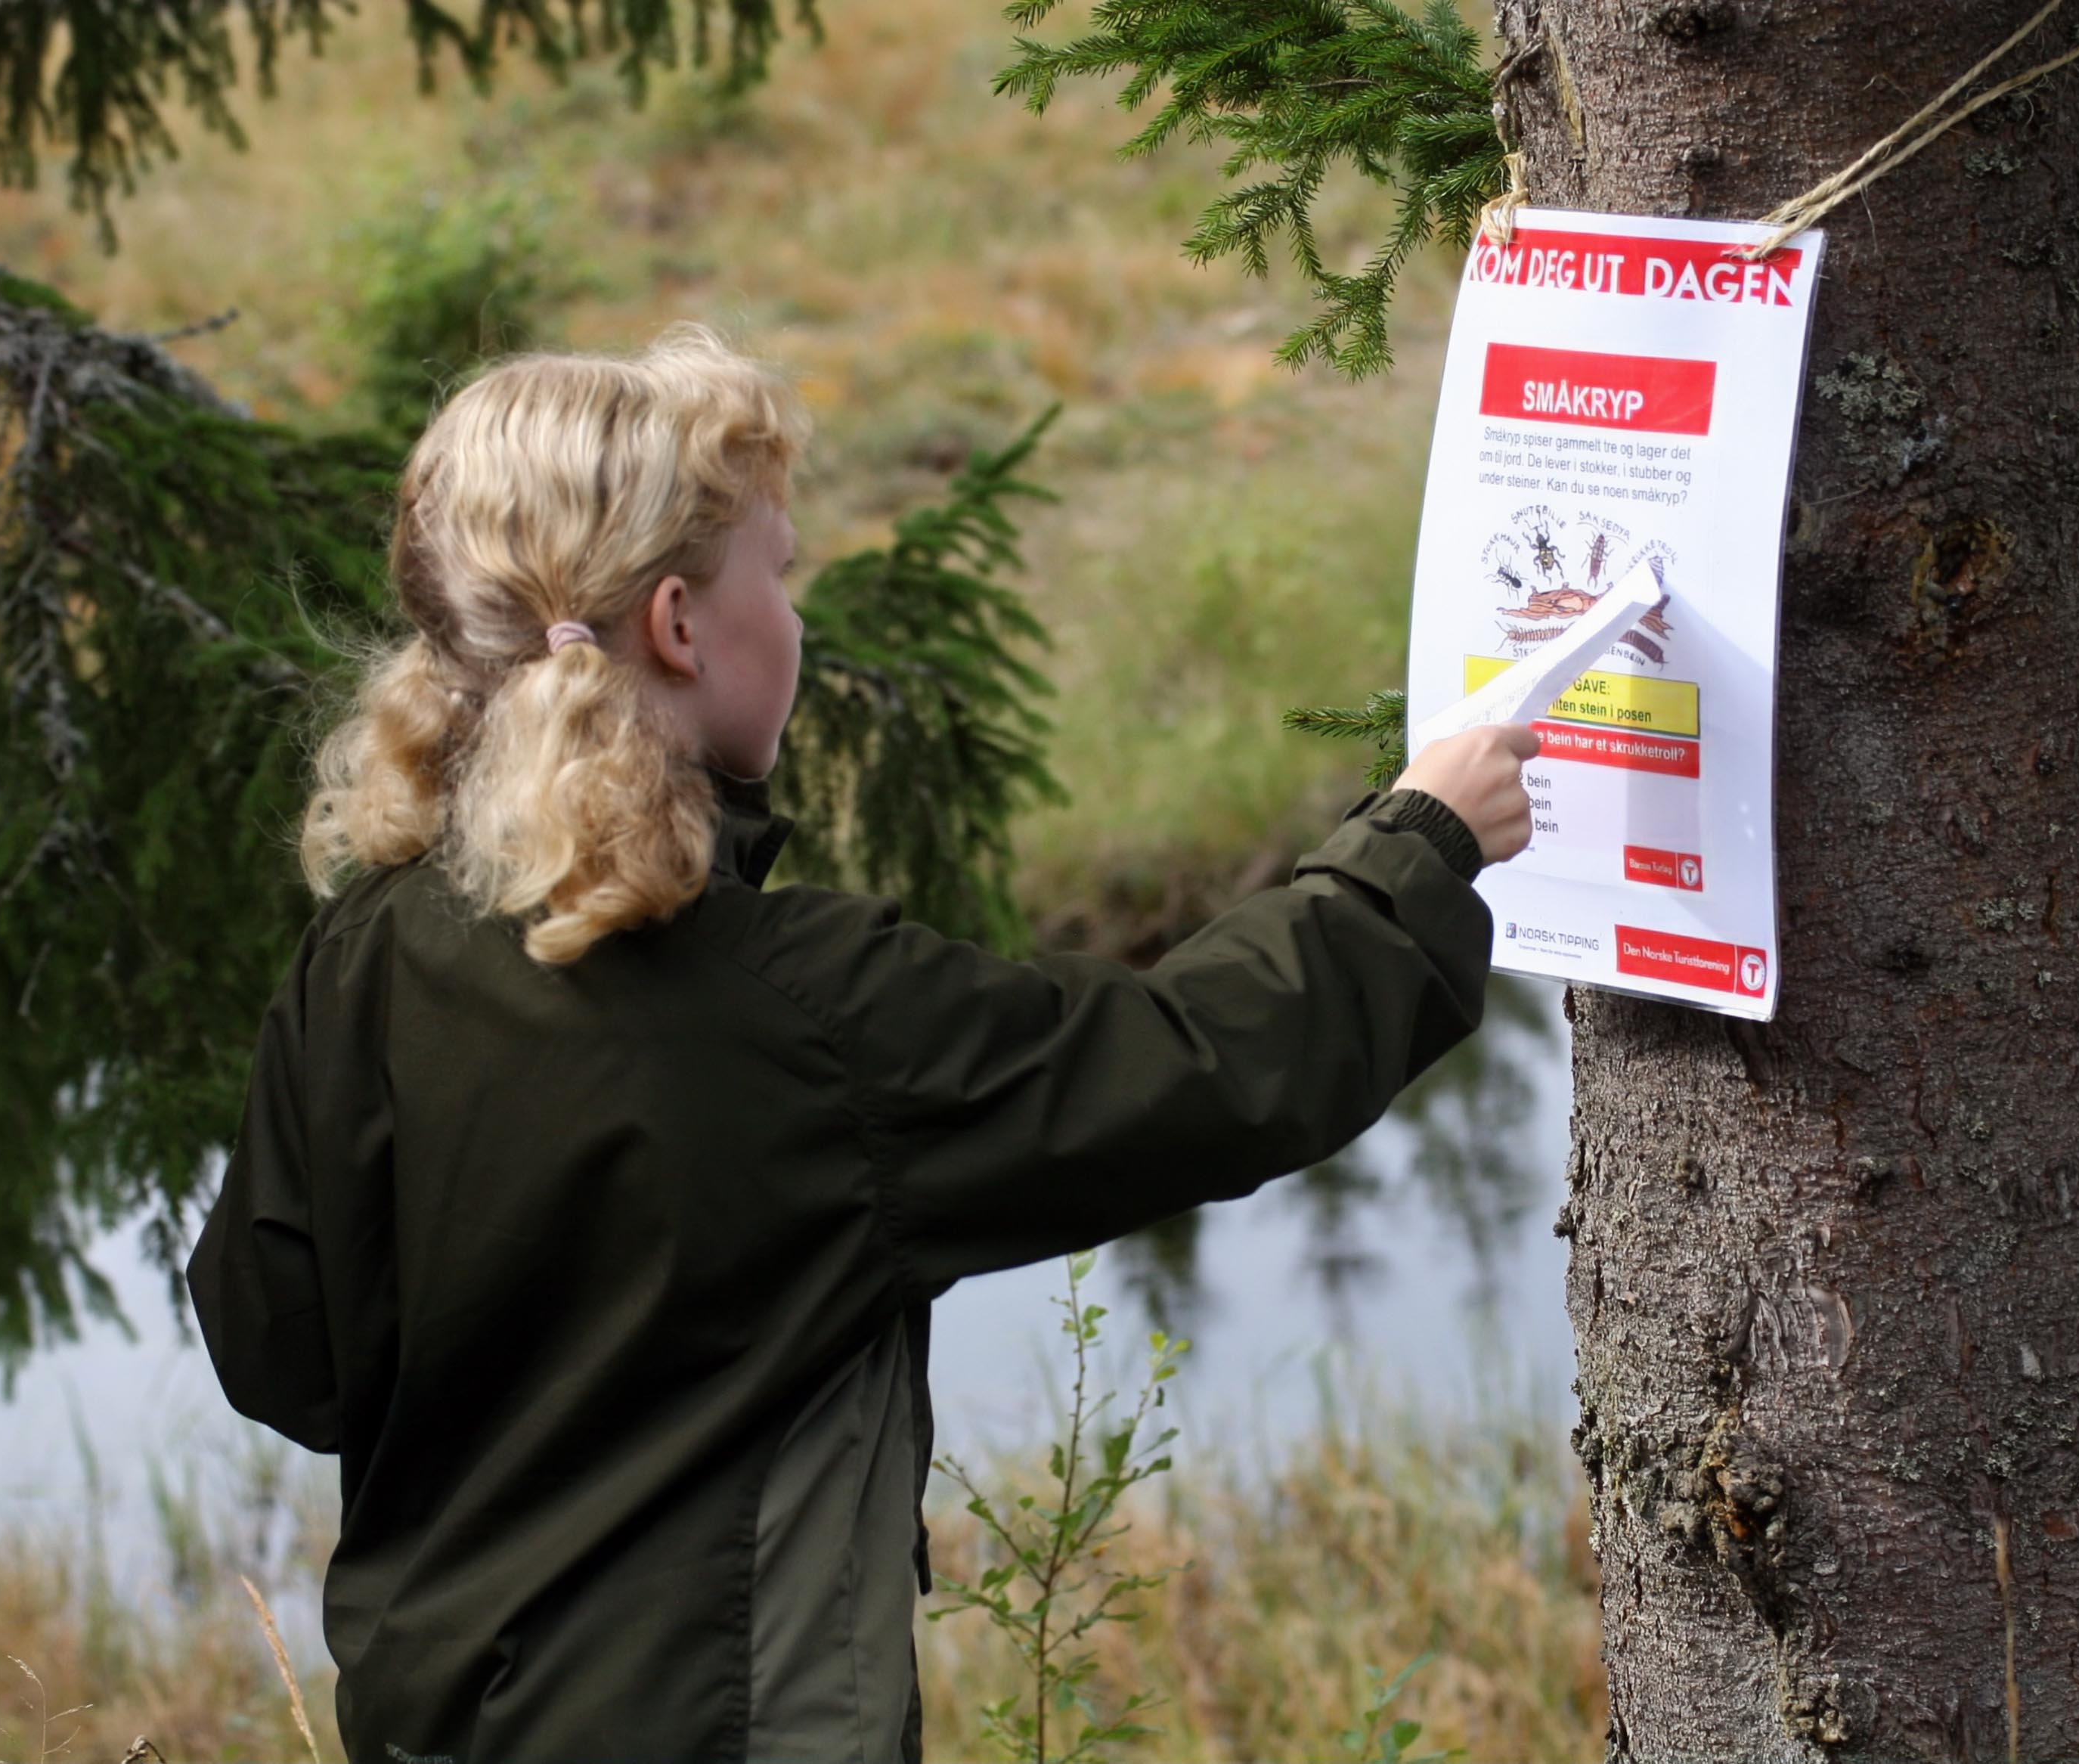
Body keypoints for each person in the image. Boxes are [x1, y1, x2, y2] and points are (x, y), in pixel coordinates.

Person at [188, 326, 1538, 1764]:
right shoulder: (798, 1012)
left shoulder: (372, 948)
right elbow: (1194, 1065)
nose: (798, 615)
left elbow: (282, 1348)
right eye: (780, 568)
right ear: (680, 626)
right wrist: (1417, 848)